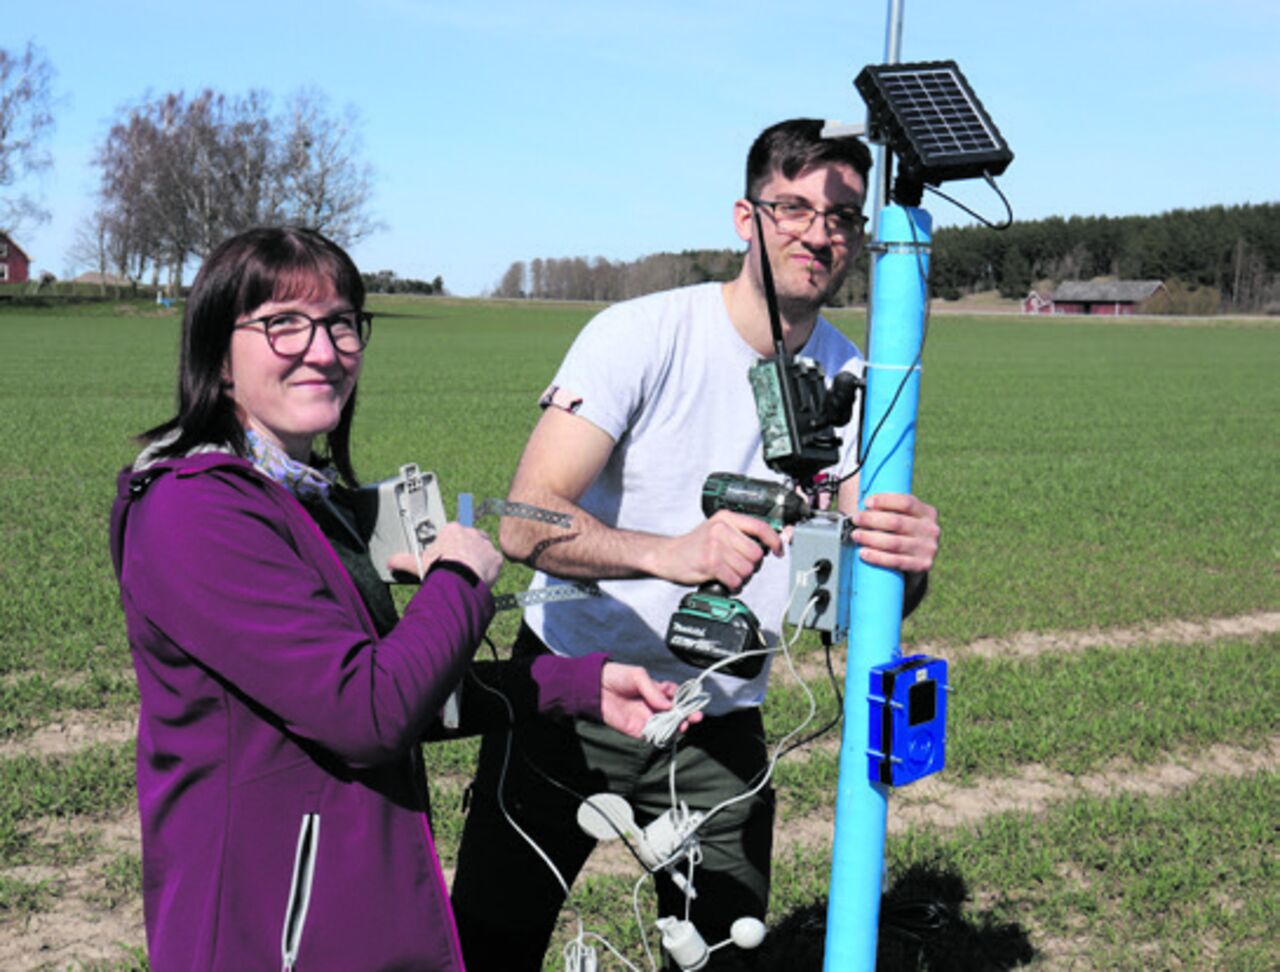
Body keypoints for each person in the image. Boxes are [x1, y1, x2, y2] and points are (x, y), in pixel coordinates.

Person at [109, 226, 692, 971]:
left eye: (340, 322)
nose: (322, 350)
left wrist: (576, 683)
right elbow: (368, 711)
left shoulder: (298, 497)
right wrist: (459, 579)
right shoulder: (196, 513)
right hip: (265, 934)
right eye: (282, 323)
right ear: (218, 355)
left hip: (340, 917)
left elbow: (404, 687)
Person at [450, 119, 940, 969]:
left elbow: (867, 582)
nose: (818, 234)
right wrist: (669, 552)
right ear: (745, 218)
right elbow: (524, 519)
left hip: (720, 721)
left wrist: (907, 562)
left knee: (720, 954)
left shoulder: (857, 380)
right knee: (488, 944)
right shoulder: (641, 335)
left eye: (842, 218)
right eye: (792, 207)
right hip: (575, 695)